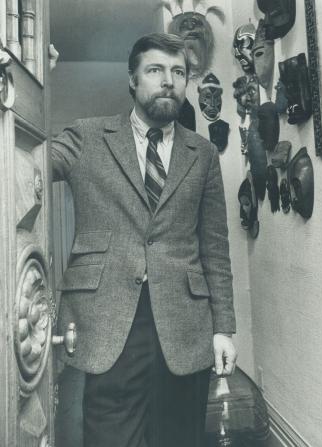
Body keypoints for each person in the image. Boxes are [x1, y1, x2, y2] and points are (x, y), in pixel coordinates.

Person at [52, 32, 237, 447]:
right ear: (132, 80)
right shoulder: (87, 137)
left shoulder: (202, 153)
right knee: (110, 437)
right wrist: (32, 83)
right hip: (109, 317)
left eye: (178, 72)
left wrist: (224, 327)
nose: (168, 81)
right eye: (155, 70)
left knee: (179, 437)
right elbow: (28, 154)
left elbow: (215, 246)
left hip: (185, 321)